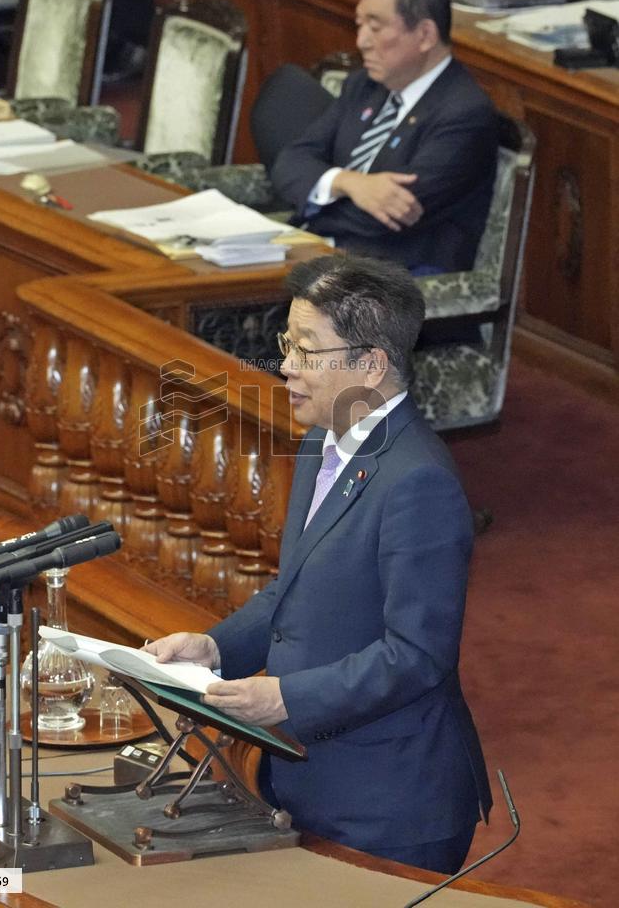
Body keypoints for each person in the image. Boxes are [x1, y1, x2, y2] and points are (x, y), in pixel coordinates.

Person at [145, 254, 492, 874]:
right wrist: (214, 648)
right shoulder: (320, 441)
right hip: (306, 779)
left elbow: (418, 656)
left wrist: (286, 698)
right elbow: (295, 590)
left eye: (308, 350)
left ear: (370, 364)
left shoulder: (419, 483)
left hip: (389, 805)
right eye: (287, 344)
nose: (286, 367)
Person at [269, 0, 498, 275]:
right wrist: (349, 183)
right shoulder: (364, 86)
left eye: (375, 28)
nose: (361, 41)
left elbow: (386, 217)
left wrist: (319, 194)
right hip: (327, 256)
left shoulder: (463, 113)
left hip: (392, 282)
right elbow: (289, 161)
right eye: (359, 24)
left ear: (425, 35)